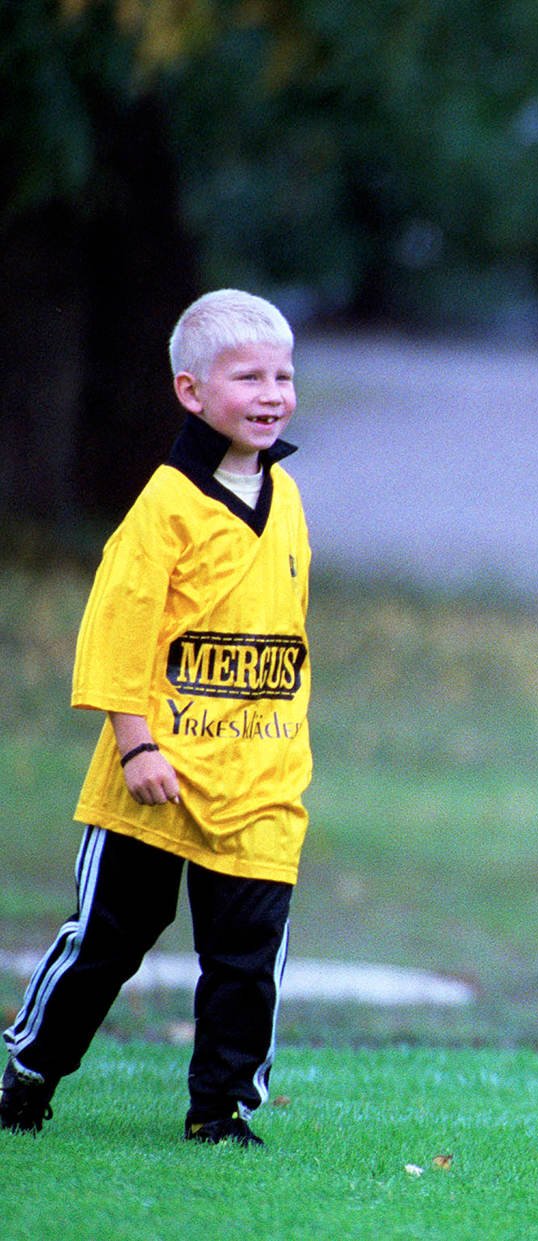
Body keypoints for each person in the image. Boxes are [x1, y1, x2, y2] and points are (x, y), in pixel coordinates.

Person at [1, 290, 313, 1147]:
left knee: (247, 957)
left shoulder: (286, 496)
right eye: (247, 377)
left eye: (283, 375)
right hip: (160, 775)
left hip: (260, 780)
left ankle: (221, 1110)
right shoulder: (165, 505)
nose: (271, 393)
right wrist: (136, 744)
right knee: (109, 939)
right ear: (191, 391)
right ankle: (30, 1071)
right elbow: (116, 635)